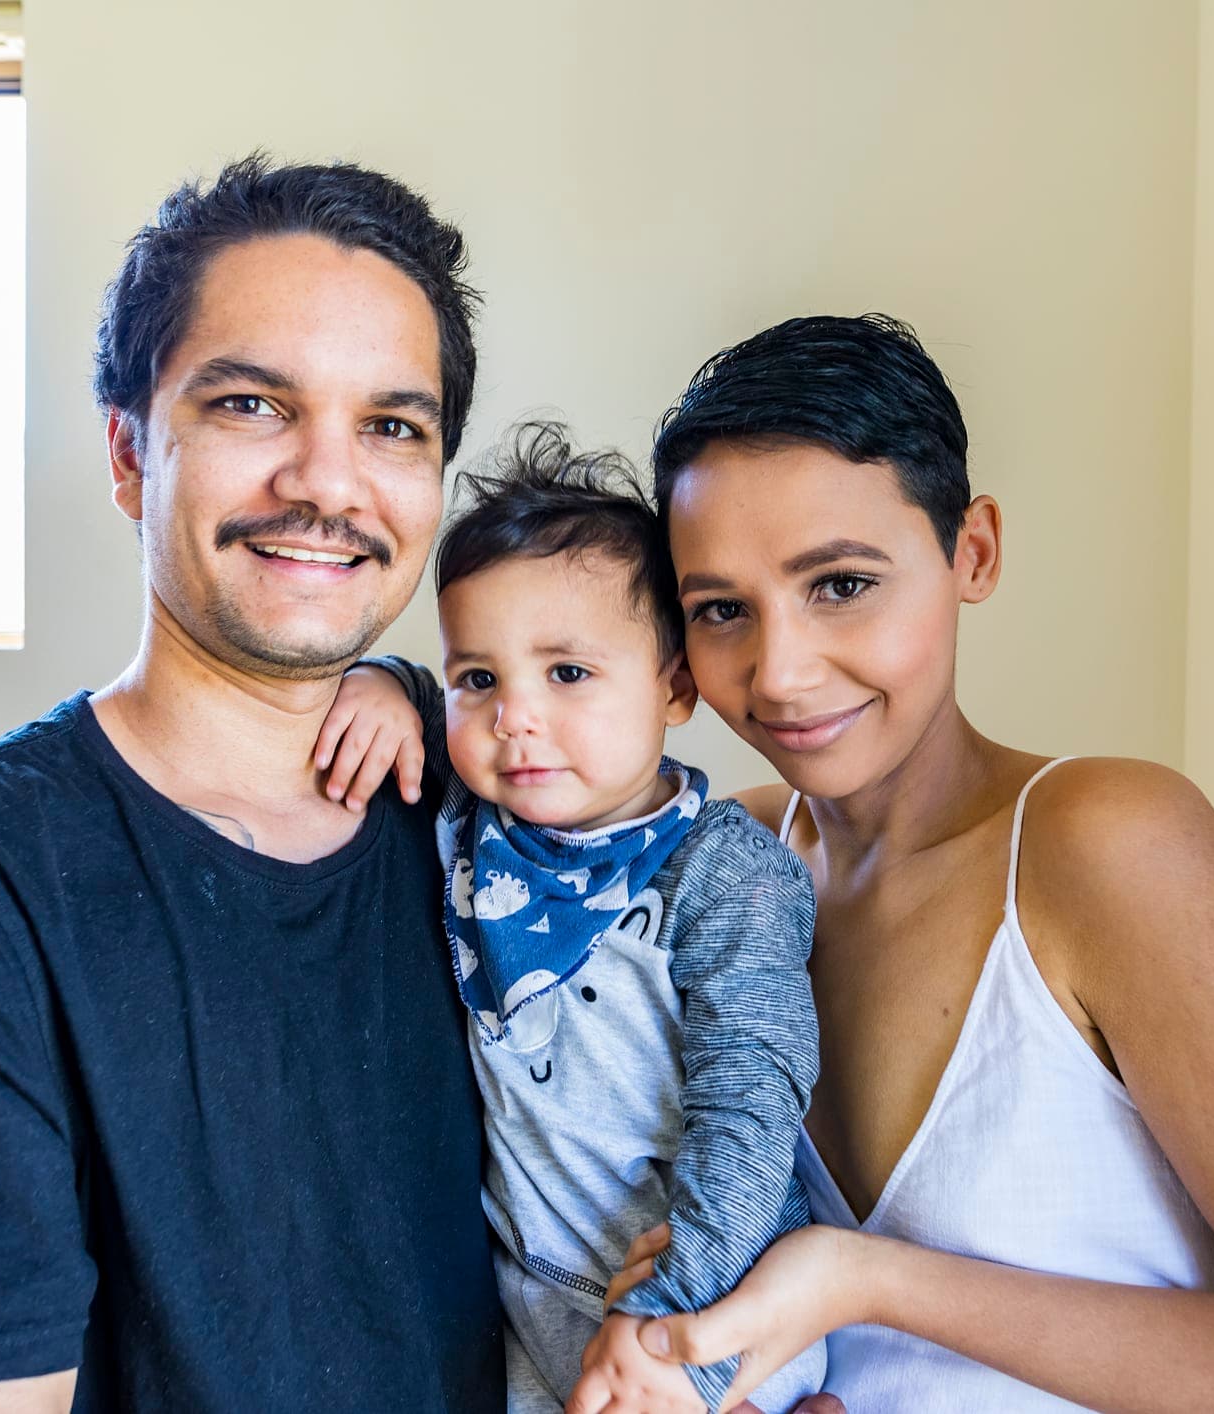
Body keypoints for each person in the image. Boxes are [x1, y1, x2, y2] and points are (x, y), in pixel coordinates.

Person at [0, 156, 506, 1412]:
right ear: (130, 454)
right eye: (250, 406)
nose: (328, 483)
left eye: (392, 426)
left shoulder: (496, 825)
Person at [585, 314, 1214, 1411]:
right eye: (722, 611)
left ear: (974, 552)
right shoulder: (730, 864)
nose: (780, 674)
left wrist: (866, 1282)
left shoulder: (1103, 845)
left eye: (841, 585)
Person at [316, 424, 829, 1413]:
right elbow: (432, 716)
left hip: (703, 1316)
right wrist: (392, 685)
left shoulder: (723, 872)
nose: (515, 716)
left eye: (567, 673)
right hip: (531, 1315)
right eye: (480, 678)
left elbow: (754, 1106)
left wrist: (677, 1329)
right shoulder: (471, 825)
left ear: (674, 685)